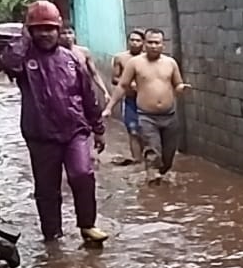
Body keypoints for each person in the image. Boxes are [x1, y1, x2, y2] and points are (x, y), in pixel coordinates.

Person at [0, 0, 109, 244]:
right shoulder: (23, 60)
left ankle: (88, 226)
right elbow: (7, 63)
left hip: (75, 130)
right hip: (40, 135)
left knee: (82, 174)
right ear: (31, 31)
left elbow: (88, 96)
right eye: (39, 29)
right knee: (47, 188)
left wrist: (98, 129)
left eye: (50, 28)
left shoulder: (71, 60)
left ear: (58, 30)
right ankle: (52, 235)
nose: (45, 34)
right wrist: (24, 37)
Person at [102, 28, 191, 184]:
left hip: (169, 115)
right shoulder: (135, 63)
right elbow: (122, 85)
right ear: (145, 44)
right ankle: (152, 186)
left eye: (157, 43)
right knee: (153, 151)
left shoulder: (170, 63)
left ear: (163, 45)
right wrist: (109, 107)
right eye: (150, 42)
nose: (153, 46)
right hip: (146, 115)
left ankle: (161, 177)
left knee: (168, 155)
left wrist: (182, 88)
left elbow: (177, 84)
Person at [111, 30, 146, 163]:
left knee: (146, 132)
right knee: (133, 131)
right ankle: (137, 162)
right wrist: (127, 82)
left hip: (146, 101)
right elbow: (114, 79)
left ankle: (147, 161)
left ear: (143, 43)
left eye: (138, 40)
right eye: (132, 40)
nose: (134, 43)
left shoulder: (148, 58)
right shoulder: (120, 58)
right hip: (131, 100)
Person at [59, 26, 111, 104]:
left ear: (74, 35)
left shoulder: (83, 52)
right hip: (64, 92)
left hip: (83, 91)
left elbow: (94, 74)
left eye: (70, 33)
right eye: (63, 33)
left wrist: (105, 91)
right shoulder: (55, 54)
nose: (67, 36)